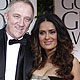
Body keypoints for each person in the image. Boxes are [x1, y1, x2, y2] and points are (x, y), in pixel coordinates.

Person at [29, 13, 80, 80]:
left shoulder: (71, 63)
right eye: (42, 33)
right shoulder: (34, 62)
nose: (47, 37)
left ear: (59, 34)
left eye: (52, 32)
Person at [0, 0, 34, 80]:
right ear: (6, 17)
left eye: (27, 19)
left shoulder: (36, 46)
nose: (21, 24)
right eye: (17, 16)